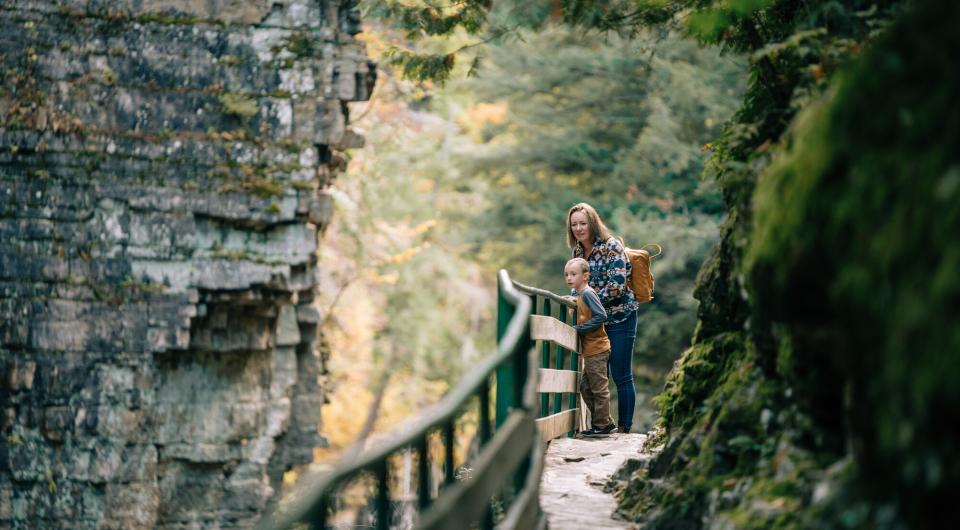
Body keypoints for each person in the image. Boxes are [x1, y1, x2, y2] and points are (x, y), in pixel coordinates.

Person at [567, 202, 639, 433]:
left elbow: (617, 286)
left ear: (593, 223)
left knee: (621, 374)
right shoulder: (578, 253)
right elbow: (577, 286)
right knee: (593, 380)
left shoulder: (611, 246)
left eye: (583, 223)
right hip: (594, 326)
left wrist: (589, 302)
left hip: (620, 318)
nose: (578, 228)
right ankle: (603, 423)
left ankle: (624, 428)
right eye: (574, 224)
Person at [565, 258, 616, 437]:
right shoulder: (581, 294)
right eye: (567, 275)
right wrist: (573, 300)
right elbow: (584, 307)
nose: (569, 278)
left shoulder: (587, 293)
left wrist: (579, 329)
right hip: (591, 349)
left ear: (585, 276)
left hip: (597, 348)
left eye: (573, 274)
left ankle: (602, 426)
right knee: (586, 387)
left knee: (598, 388)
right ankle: (604, 422)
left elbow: (601, 316)